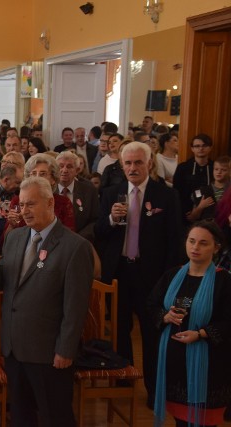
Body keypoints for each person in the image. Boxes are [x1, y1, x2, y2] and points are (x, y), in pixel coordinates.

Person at [0, 176, 94, 427]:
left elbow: (75, 307)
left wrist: (65, 349)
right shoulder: (14, 238)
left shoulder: (75, 247)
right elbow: (6, 284)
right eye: (21, 205)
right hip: (14, 347)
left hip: (48, 352)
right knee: (21, 416)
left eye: (31, 204)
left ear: (50, 202)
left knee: (56, 417)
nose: (25, 211)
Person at [96, 141, 183, 407]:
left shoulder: (166, 195)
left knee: (152, 333)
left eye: (138, 163)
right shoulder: (111, 193)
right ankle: (124, 381)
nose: (132, 168)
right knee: (121, 331)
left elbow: (174, 240)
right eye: (128, 163)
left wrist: (168, 281)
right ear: (121, 165)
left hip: (152, 276)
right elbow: (99, 233)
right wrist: (111, 219)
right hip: (119, 272)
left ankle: (154, 389)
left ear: (149, 164)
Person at [148, 221, 231, 427]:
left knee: (204, 422)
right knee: (181, 421)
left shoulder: (224, 281)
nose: (195, 247)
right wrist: (165, 316)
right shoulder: (173, 275)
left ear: (216, 247)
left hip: (209, 368)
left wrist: (201, 333)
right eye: (192, 241)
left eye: (203, 243)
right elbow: (151, 304)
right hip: (175, 365)